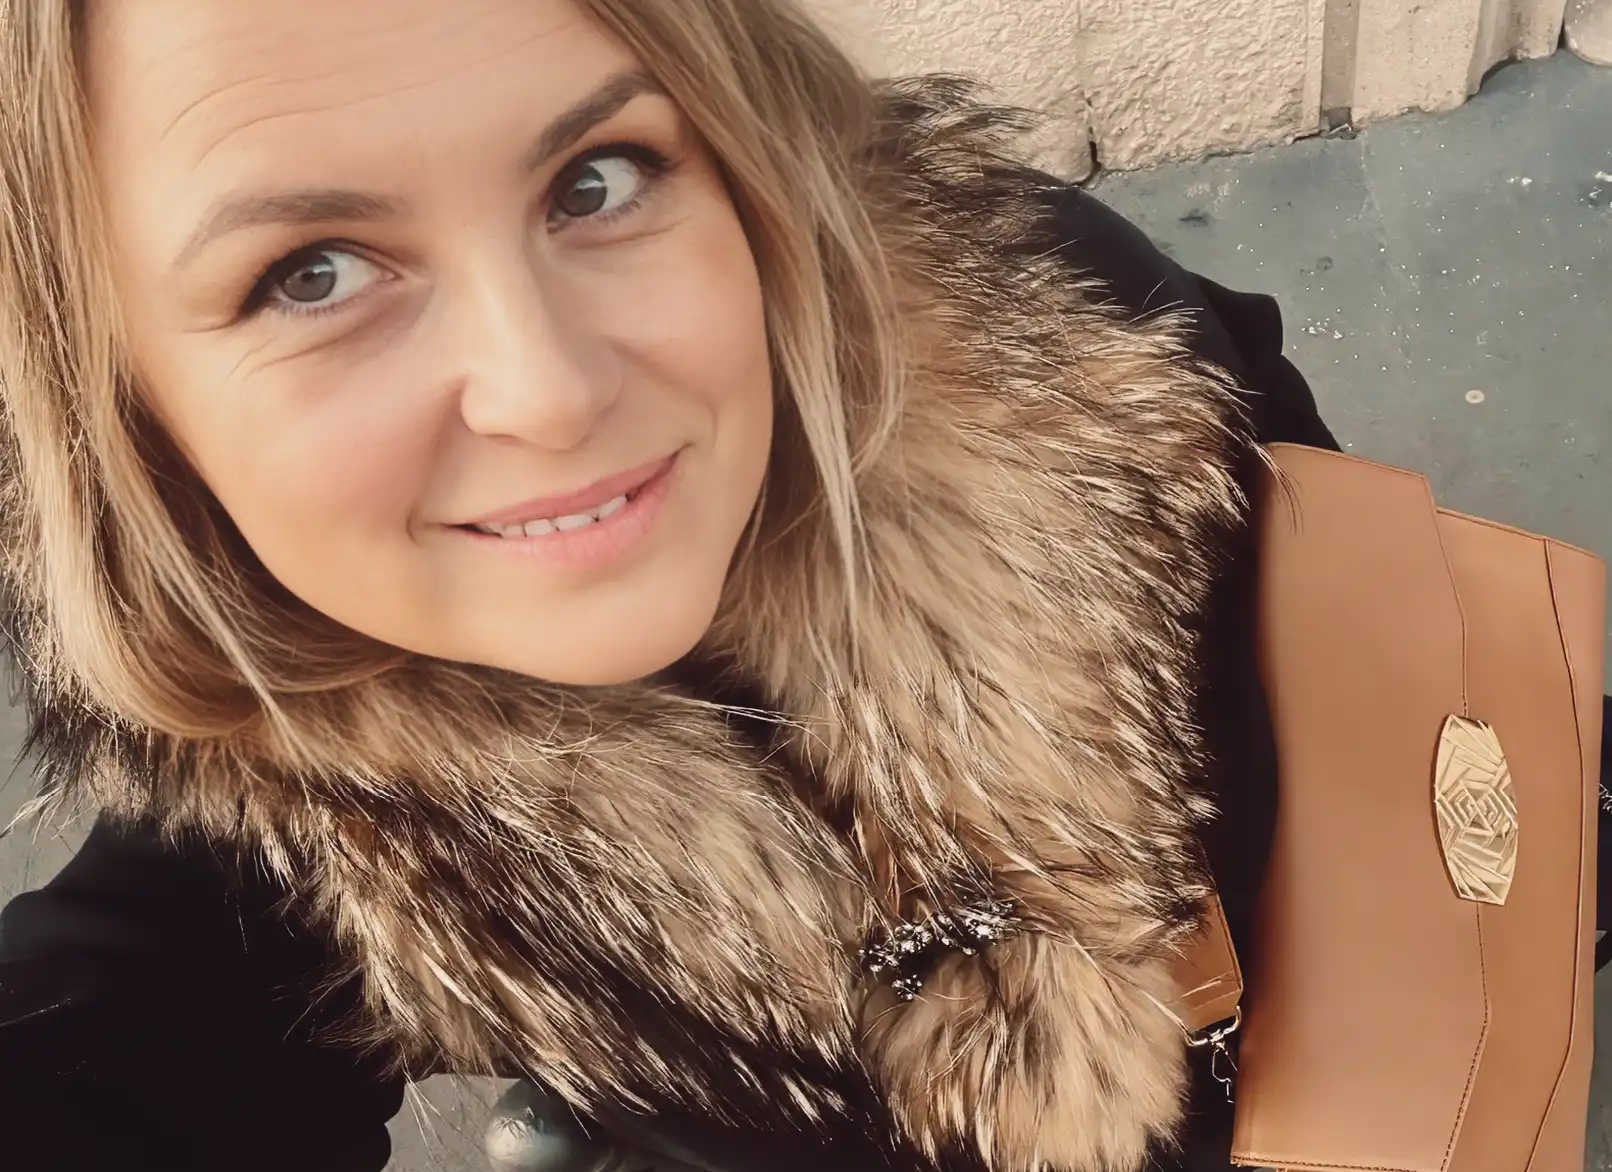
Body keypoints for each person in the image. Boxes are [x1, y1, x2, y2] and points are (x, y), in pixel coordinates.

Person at [0, 0, 1542, 1170]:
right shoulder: (280, 826)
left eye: (598, 178)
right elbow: (109, 1041)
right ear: (114, 396)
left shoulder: (1051, 329)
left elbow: (1314, 518)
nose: (547, 392)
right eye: (313, 274)